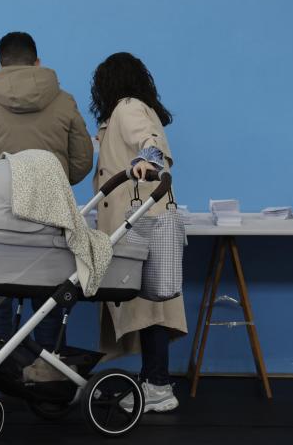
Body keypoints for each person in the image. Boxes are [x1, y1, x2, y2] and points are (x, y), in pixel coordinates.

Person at [0, 31, 94, 356]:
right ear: (37, 63)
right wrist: (49, 185)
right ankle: (46, 376)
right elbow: (83, 159)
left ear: (0, 65)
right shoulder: (64, 100)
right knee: (49, 301)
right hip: (48, 221)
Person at [89, 51, 186, 413]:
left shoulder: (128, 107)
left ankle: (158, 386)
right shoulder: (125, 111)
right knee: (146, 305)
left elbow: (151, 143)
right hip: (137, 223)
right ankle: (154, 380)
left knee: (150, 306)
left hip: (140, 225)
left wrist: (149, 159)